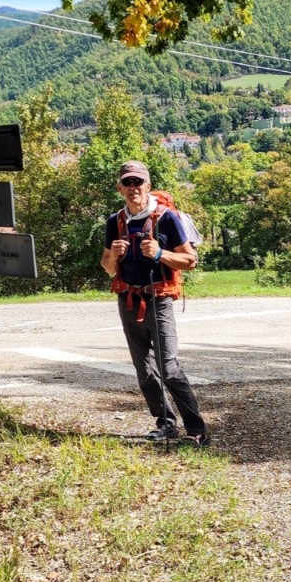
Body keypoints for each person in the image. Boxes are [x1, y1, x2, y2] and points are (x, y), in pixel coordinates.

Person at [100, 160, 209, 445]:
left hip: (158, 300)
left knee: (168, 365)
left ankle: (197, 430)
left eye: (138, 182)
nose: (133, 187)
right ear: (119, 188)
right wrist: (114, 254)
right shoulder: (115, 222)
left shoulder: (166, 218)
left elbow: (190, 261)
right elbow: (107, 267)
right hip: (128, 300)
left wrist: (160, 254)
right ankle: (165, 423)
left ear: (147, 185)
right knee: (144, 369)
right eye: (127, 183)